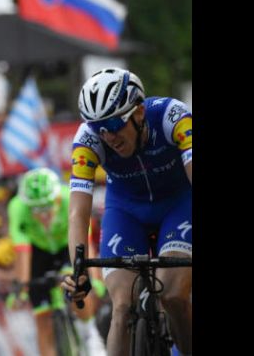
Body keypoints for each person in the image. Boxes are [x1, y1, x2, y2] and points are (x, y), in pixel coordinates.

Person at [61, 68, 192, 356]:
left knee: (172, 296)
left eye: (113, 124)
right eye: (99, 128)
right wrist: (79, 269)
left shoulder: (173, 117)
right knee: (122, 306)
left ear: (139, 113)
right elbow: (77, 214)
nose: (108, 136)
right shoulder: (87, 141)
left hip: (178, 205)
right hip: (126, 211)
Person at [7, 168, 106, 356]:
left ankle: (89, 334)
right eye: (36, 209)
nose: (43, 215)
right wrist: (21, 288)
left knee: (78, 285)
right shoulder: (17, 207)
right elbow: (22, 251)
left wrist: (94, 278)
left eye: (47, 207)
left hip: (66, 245)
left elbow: (83, 244)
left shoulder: (70, 199)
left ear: (57, 198)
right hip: (39, 251)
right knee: (42, 318)